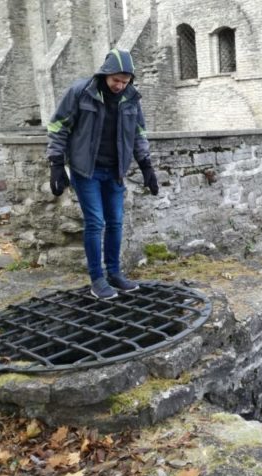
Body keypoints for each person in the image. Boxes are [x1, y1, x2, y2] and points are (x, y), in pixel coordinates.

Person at [46, 48, 158, 299]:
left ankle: (115, 274)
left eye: (125, 81)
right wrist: (55, 162)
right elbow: (57, 126)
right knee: (96, 222)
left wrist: (146, 166)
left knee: (116, 222)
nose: (120, 85)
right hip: (86, 170)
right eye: (116, 80)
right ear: (105, 74)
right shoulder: (81, 92)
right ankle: (97, 279)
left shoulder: (131, 98)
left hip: (115, 170)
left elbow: (139, 133)